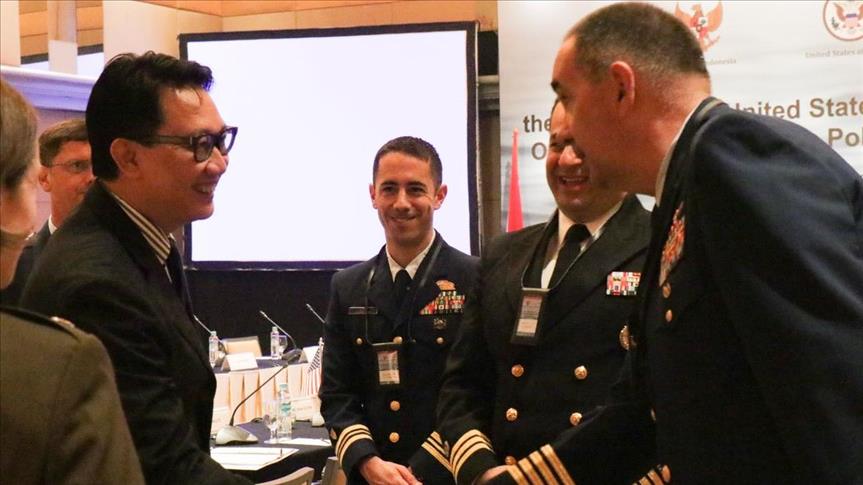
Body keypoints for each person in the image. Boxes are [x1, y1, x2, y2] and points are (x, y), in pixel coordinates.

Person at [487, 3, 863, 484]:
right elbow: (643, 409)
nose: (567, 131)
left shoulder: (729, 153)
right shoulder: (680, 195)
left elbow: (834, 387)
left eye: (569, 99)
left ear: (621, 88)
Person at [19, 53, 250, 484]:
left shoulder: (147, 243)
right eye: (200, 144)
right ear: (127, 157)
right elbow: (161, 465)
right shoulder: (96, 282)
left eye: (222, 141)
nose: (220, 162)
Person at [436, 101, 652, 485]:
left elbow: (665, 403)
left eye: (583, 145)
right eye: (557, 144)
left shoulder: (661, 246)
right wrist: (482, 470)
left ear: (621, 147)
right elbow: (463, 385)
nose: (567, 160)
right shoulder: (504, 253)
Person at [0, 78, 144, 484]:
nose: (92, 179)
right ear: (40, 180)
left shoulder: (135, 261)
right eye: (77, 167)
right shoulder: (63, 362)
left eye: (97, 167)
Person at [320, 136, 479, 485]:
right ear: (373, 195)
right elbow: (337, 394)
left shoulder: (475, 279)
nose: (401, 203)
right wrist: (367, 462)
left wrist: (416, 472)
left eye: (415, 189)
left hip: (448, 474)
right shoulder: (348, 286)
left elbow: (480, 391)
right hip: (372, 477)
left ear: (440, 195)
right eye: (389, 189)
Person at [0, 118, 93, 305]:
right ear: (44, 178)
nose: (93, 177)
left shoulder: (136, 257)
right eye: (78, 166)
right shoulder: (14, 266)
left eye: (101, 167)